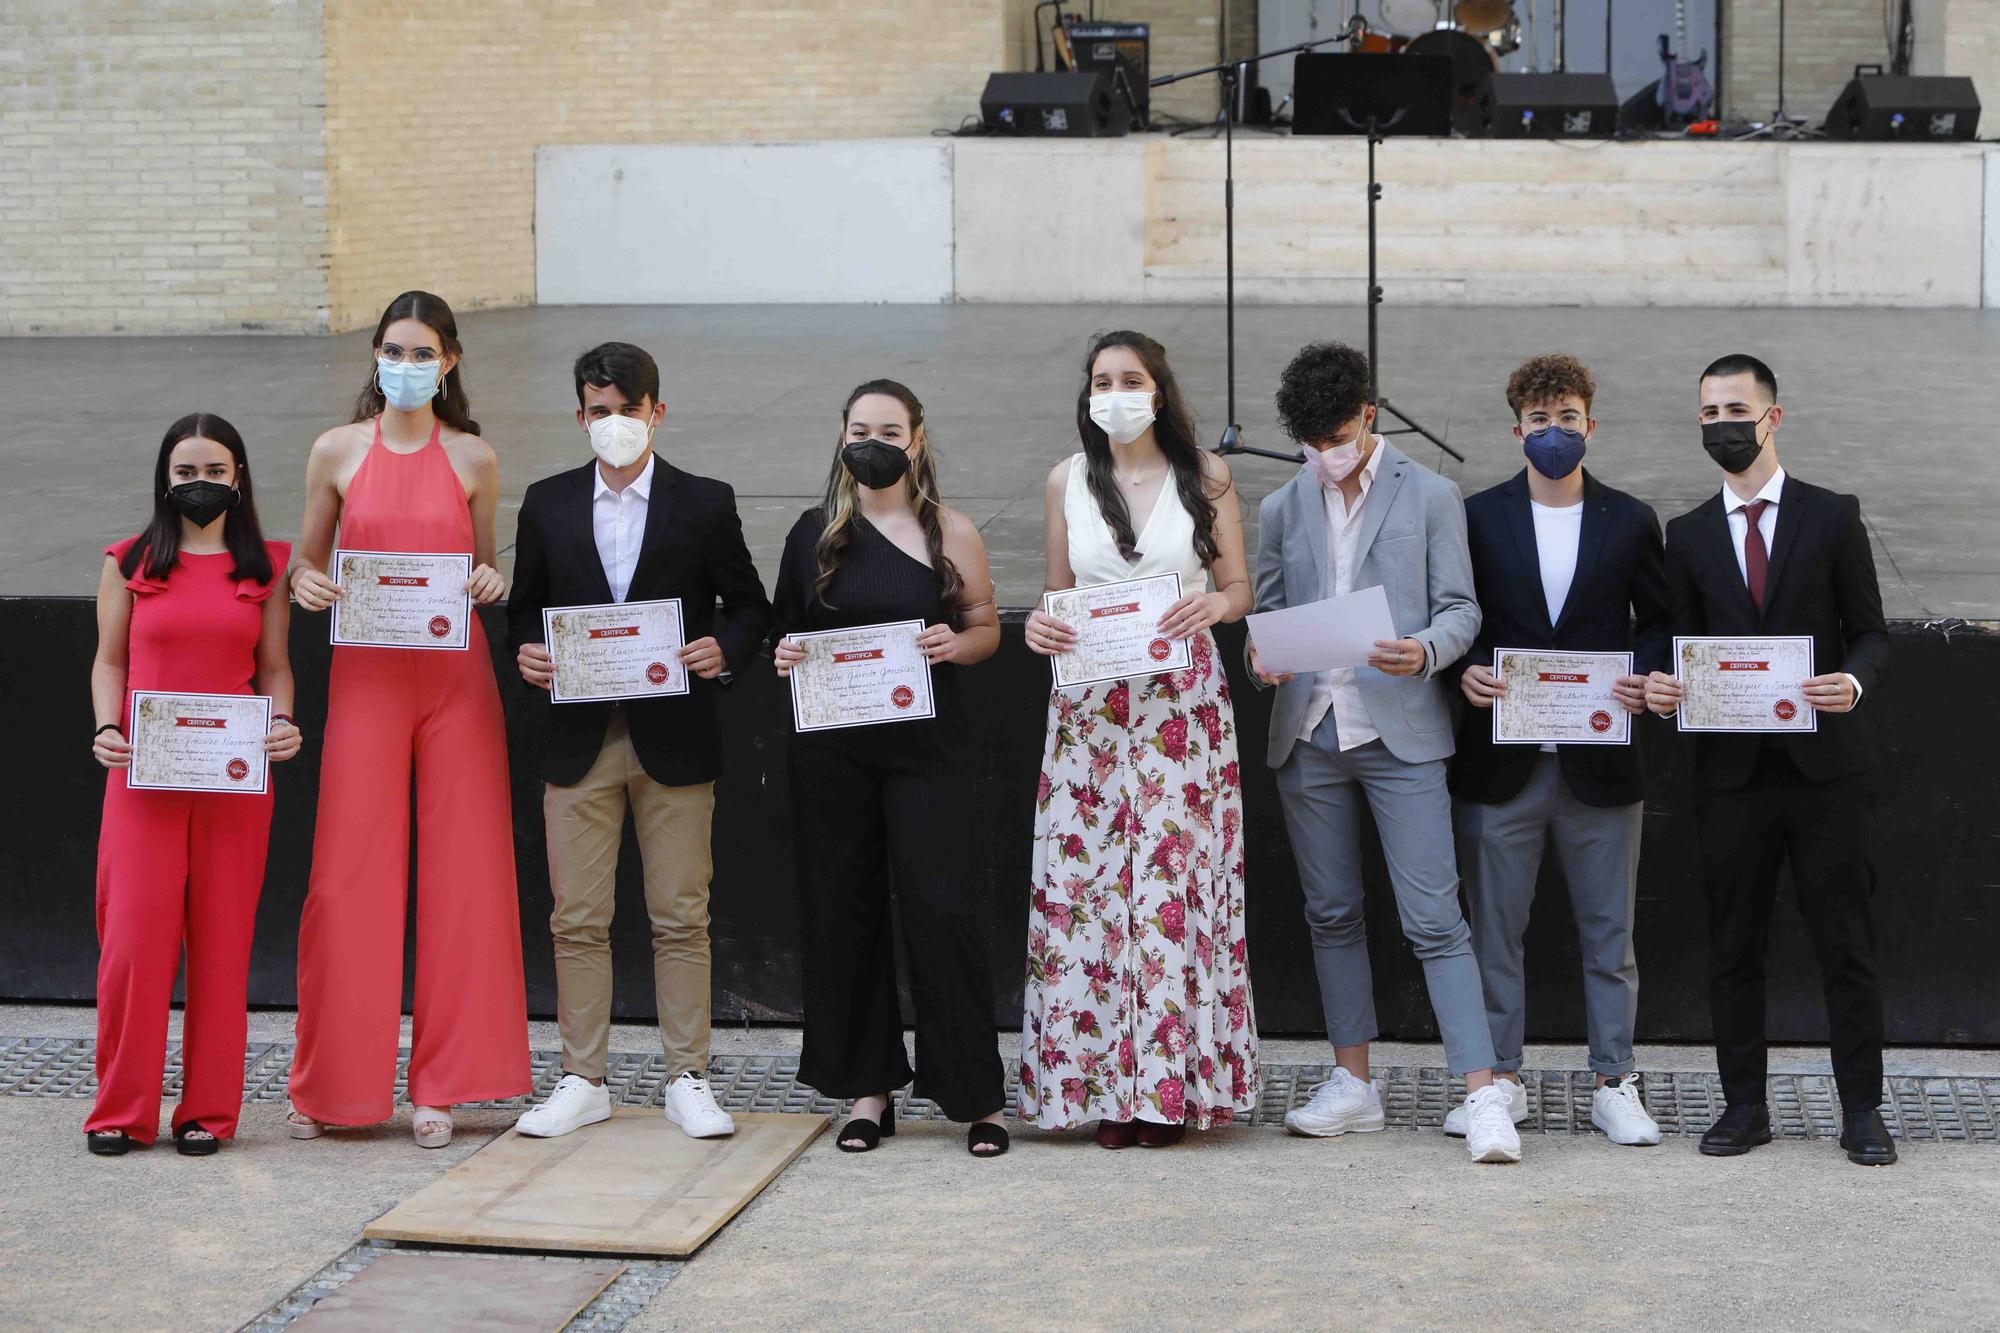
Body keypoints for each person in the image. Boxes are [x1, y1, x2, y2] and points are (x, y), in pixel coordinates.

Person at [1248, 341, 1518, 1164]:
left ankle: (1481, 1092)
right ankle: (1352, 1082)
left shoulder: (1431, 494)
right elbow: (1264, 616)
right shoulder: (1280, 506)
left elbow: (1462, 609)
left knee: (1436, 917)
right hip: (1310, 730)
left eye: (1335, 436)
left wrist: (1427, 650)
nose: (1323, 456)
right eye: (1309, 442)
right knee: (1330, 914)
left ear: (1368, 415)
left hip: (1400, 726)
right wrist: (1261, 660)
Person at [507, 342, 771, 1141]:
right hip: (579, 738)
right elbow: (524, 609)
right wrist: (526, 650)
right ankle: (583, 1076)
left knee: (680, 915)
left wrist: (725, 648)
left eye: (628, 408)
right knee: (576, 916)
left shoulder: (703, 500)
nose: (613, 423)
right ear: (579, 416)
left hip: (676, 736)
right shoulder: (546, 501)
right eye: (598, 410)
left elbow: (751, 606)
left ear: (657, 410)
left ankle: (686, 1075)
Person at [285, 290, 530, 1147]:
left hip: (457, 682)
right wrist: (305, 583)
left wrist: (490, 584)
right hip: (367, 682)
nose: (407, 364)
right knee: (347, 876)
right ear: (375, 355)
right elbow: (306, 562)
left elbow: (484, 566)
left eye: (423, 352)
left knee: (466, 877)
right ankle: (334, 1086)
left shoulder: (474, 459)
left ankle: (445, 1085)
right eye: (394, 348)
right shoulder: (335, 452)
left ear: (450, 362)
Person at [1644, 353, 1894, 1166]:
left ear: (1773, 417)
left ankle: (1861, 1110)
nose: (1723, 424)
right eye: (1709, 412)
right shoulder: (1685, 534)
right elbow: (1673, 641)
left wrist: (1853, 682)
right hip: (1730, 776)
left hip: (1828, 771)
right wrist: (1662, 684)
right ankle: (1743, 1106)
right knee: (1733, 946)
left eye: (1736, 410)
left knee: (1845, 944)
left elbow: (1873, 632)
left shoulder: (1832, 516)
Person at [1020, 330, 1258, 1149]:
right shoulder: (1066, 479)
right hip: (1089, 713)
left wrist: (1218, 610)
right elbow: (1056, 593)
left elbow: (1237, 584)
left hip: (1178, 708)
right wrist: (1043, 630)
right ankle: (1106, 1092)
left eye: (1129, 378)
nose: (1114, 391)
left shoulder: (1208, 474)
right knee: (1090, 896)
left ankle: (1171, 1089)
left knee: (1168, 894)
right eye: (1100, 379)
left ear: (1158, 389)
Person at [771, 379, 1010, 1158]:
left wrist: (955, 643)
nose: (873, 438)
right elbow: (786, 633)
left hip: (929, 750)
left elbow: (984, 630)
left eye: (889, 427)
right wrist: (786, 653)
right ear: (842, 437)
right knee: (848, 913)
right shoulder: (812, 533)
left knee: (944, 911)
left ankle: (976, 1094)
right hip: (834, 753)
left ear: (916, 439)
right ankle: (868, 1089)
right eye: (859, 426)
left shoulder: (952, 532)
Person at [1446, 354, 1669, 1147]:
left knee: (1610, 936)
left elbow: (1661, 622)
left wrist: (1646, 676)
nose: (1553, 432)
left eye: (1566, 418)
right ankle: (1499, 1079)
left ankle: (1614, 1078)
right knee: (1493, 934)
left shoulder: (1632, 519)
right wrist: (1462, 674)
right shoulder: (1474, 517)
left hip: (1601, 764)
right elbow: (1453, 619)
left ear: (1590, 425)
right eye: (1538, 420)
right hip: (1500, 764)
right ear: (1516, 431)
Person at [85, 414, 299, 1156]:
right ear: (164, 479)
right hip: (143, 777)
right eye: (185, 472)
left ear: (238, 477)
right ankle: (122, 1107)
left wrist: (285, 722)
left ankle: (209, 1111)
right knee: (133, 942)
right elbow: (110, 659)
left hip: (234, 780)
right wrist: (108, 726)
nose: (200, 484)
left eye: (214, 471)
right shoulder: (129, 561)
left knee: (221, 942)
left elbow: (273, 667)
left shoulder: (266, 566)